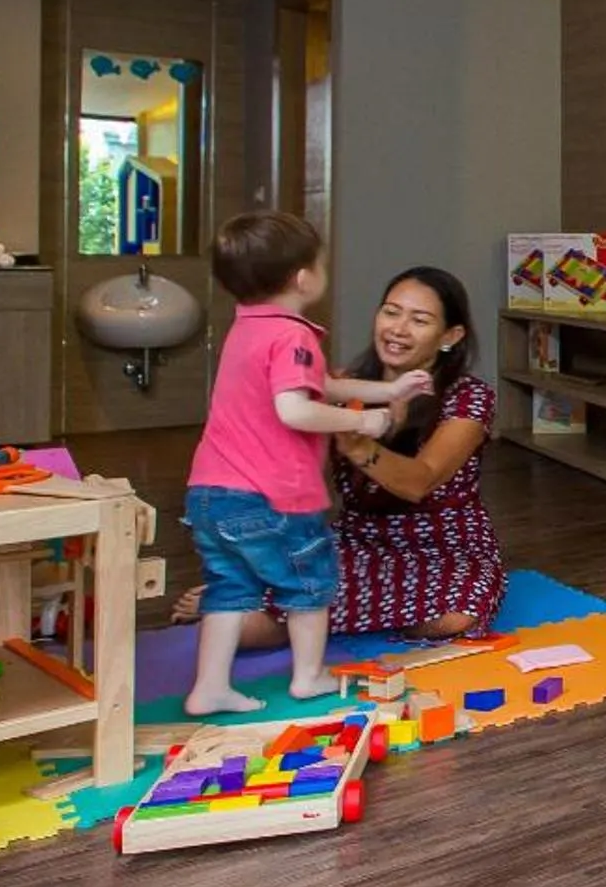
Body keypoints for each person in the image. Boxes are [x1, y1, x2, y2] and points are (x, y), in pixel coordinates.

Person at [171, 268, 510, 645]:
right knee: (243, 628)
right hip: (357, 541)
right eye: (391, 312)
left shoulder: (470, 396)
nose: (398, 328)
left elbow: (420, 481)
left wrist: (360, 446)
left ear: (451, 336)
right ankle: (256, 592)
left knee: (456, 617)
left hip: (448, 546)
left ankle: (303, 605)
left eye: (419, 320)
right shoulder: (341, 386)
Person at [181, 212, 425, 718]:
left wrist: (389, 390)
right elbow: (294, 407)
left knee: (231, 588)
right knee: (309, 582)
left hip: (210, 491)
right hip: (269, 494)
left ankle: (209, 687)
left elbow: (321, 385)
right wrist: (366, 424)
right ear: (302, 278)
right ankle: (308, 676)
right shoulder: (293, 336)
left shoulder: (247, 329)